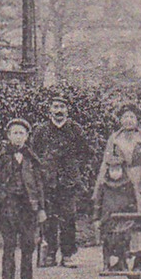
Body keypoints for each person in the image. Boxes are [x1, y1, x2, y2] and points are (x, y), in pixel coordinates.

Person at [28, 95, 94, 267]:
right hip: (47, 182)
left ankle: (67, 254)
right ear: (49, 110)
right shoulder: (41, 130)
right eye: (55, 106)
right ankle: (50, 253)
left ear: (67, 110)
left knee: (68, 218)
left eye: (62, 107)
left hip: (69, 183)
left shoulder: (75, 129)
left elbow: (85, 152)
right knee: (48, 218)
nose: (59, 111)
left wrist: (75, 169)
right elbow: (34, 154)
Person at [0, 119, 48, 279]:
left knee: (28, 243)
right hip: (8, 206)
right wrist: (4, 198)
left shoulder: (31, 158)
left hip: (28, 206)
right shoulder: (2, 158)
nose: (18, 137)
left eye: (21, 133)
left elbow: (38, 185)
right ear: (9, 136)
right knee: (9, 244)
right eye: (15, 133)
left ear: (27, 136)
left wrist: (41, 208)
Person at [93, 148, 141, 275]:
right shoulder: (103, 185)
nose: (115, 173)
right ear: (108, 171)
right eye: (112, 170)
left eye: (118, 170)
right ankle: (106, 264)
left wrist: (133, 216)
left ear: (123, 171)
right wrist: (96, 219)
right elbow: (97, 204)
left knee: (123, 240)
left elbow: (133, 202)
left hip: (124, 219)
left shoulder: (128, 185)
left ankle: (122, 262)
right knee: (107, 241)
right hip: (107, 219)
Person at [101, 103, 141, 209]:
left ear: (137, 119)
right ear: (120, 120)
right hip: (119, 182)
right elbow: (106, 163)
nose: (129, 120)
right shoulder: (114, 138)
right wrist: (102, 184)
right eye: (125, 117)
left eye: (132, 117)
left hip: (140, 180)